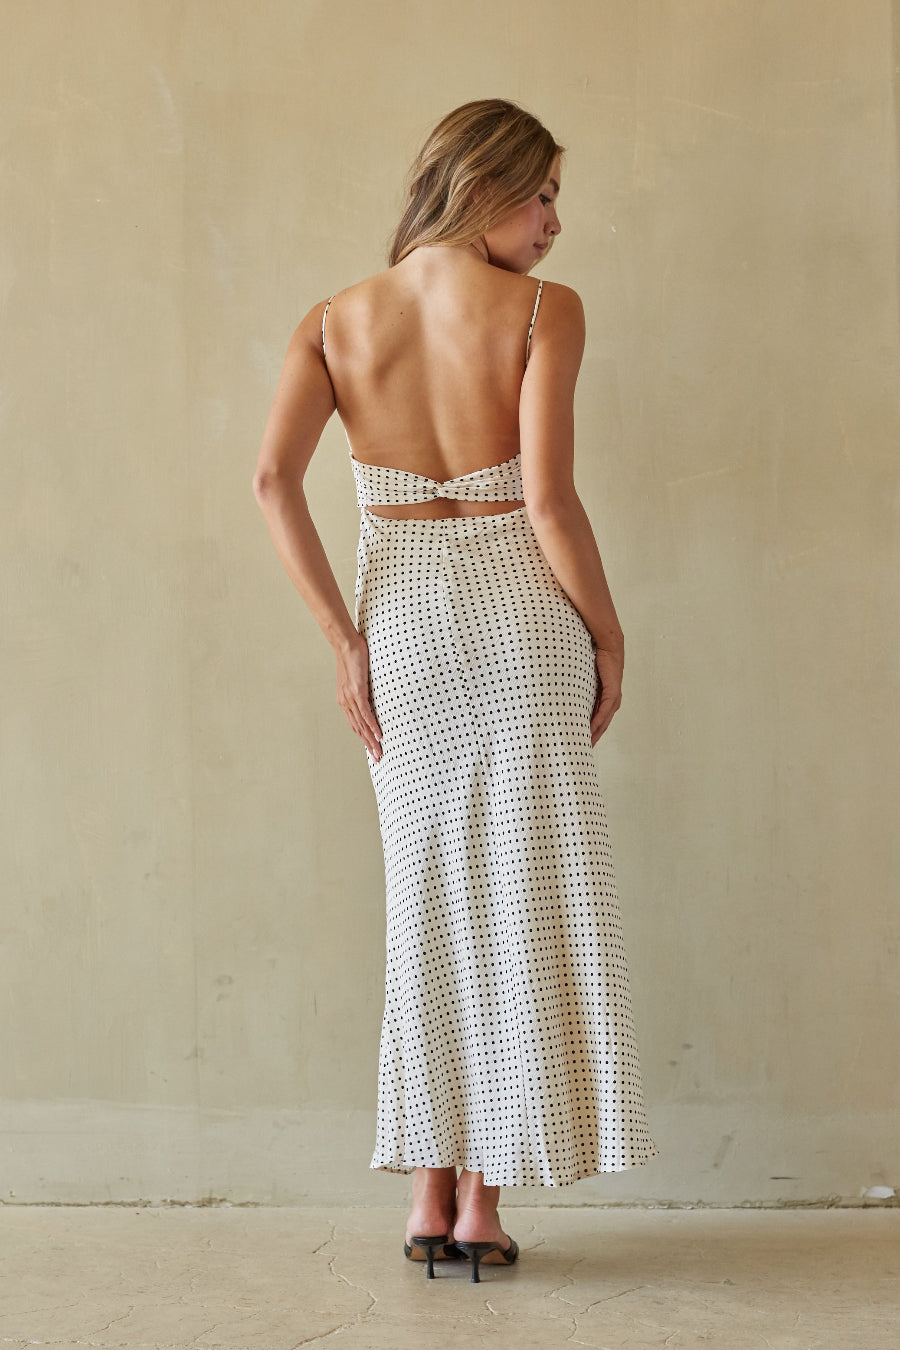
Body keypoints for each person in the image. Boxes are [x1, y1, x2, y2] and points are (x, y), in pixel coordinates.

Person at [253, 97, 659, 1282]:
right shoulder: (541, 310)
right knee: (520, 904)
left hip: (408, 637)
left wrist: (342, 639)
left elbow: (273, 480)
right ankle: (479, 1206)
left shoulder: (336, 319)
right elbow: (548, 503)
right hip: (522, 622)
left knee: (428, 899)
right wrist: (611, 634)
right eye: (541, 197)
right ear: (484, 187)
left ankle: (427, 1194)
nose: (555, 224)